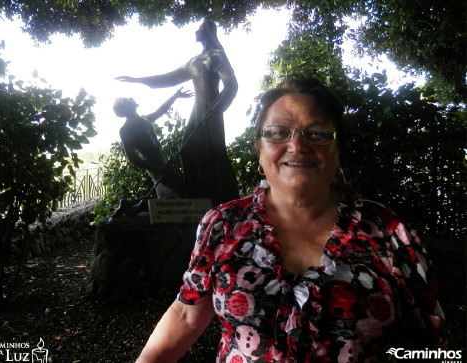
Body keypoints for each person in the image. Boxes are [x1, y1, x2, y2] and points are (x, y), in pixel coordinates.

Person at [135, 77, 445, 362]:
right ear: (260, 150)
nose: (297, 146)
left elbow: (426, 338)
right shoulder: (223, 224)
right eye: (279, 132)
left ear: (337, 150)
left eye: (317, 133)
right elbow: (186, 315)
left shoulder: (387, 231)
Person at [116, 20, 239, 206]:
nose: (195, 32)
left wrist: (216, 110)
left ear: (206, 32)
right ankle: (200, 201)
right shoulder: (194, 61)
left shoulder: (216, 56)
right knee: (188, 151)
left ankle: (220, 200)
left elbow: (232, 84)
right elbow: (168, 78)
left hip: (211, 114)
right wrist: (137, 80)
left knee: (211, 153)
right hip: (198, 114)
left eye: (198, 29)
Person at [113, 87, 192, 200]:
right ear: (125, 108)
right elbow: (133, 158)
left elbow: (161, 110)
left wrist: (175, 96)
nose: (131, 98)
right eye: (128, 100)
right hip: (154, 165)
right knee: (176, 193)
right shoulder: (125, 129)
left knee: (179, 192)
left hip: (162, 162)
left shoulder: (145, 119)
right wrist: (156, 167)